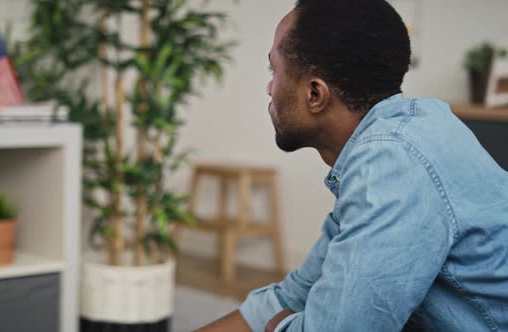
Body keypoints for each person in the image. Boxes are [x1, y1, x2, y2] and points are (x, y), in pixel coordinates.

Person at [196, 0, 508, 331]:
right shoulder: (403, 135)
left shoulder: (392, 163)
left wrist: (280, 327)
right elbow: (294, 296)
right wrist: (278, 319)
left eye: (275, 71)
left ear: (315, 94)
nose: (269, 87)